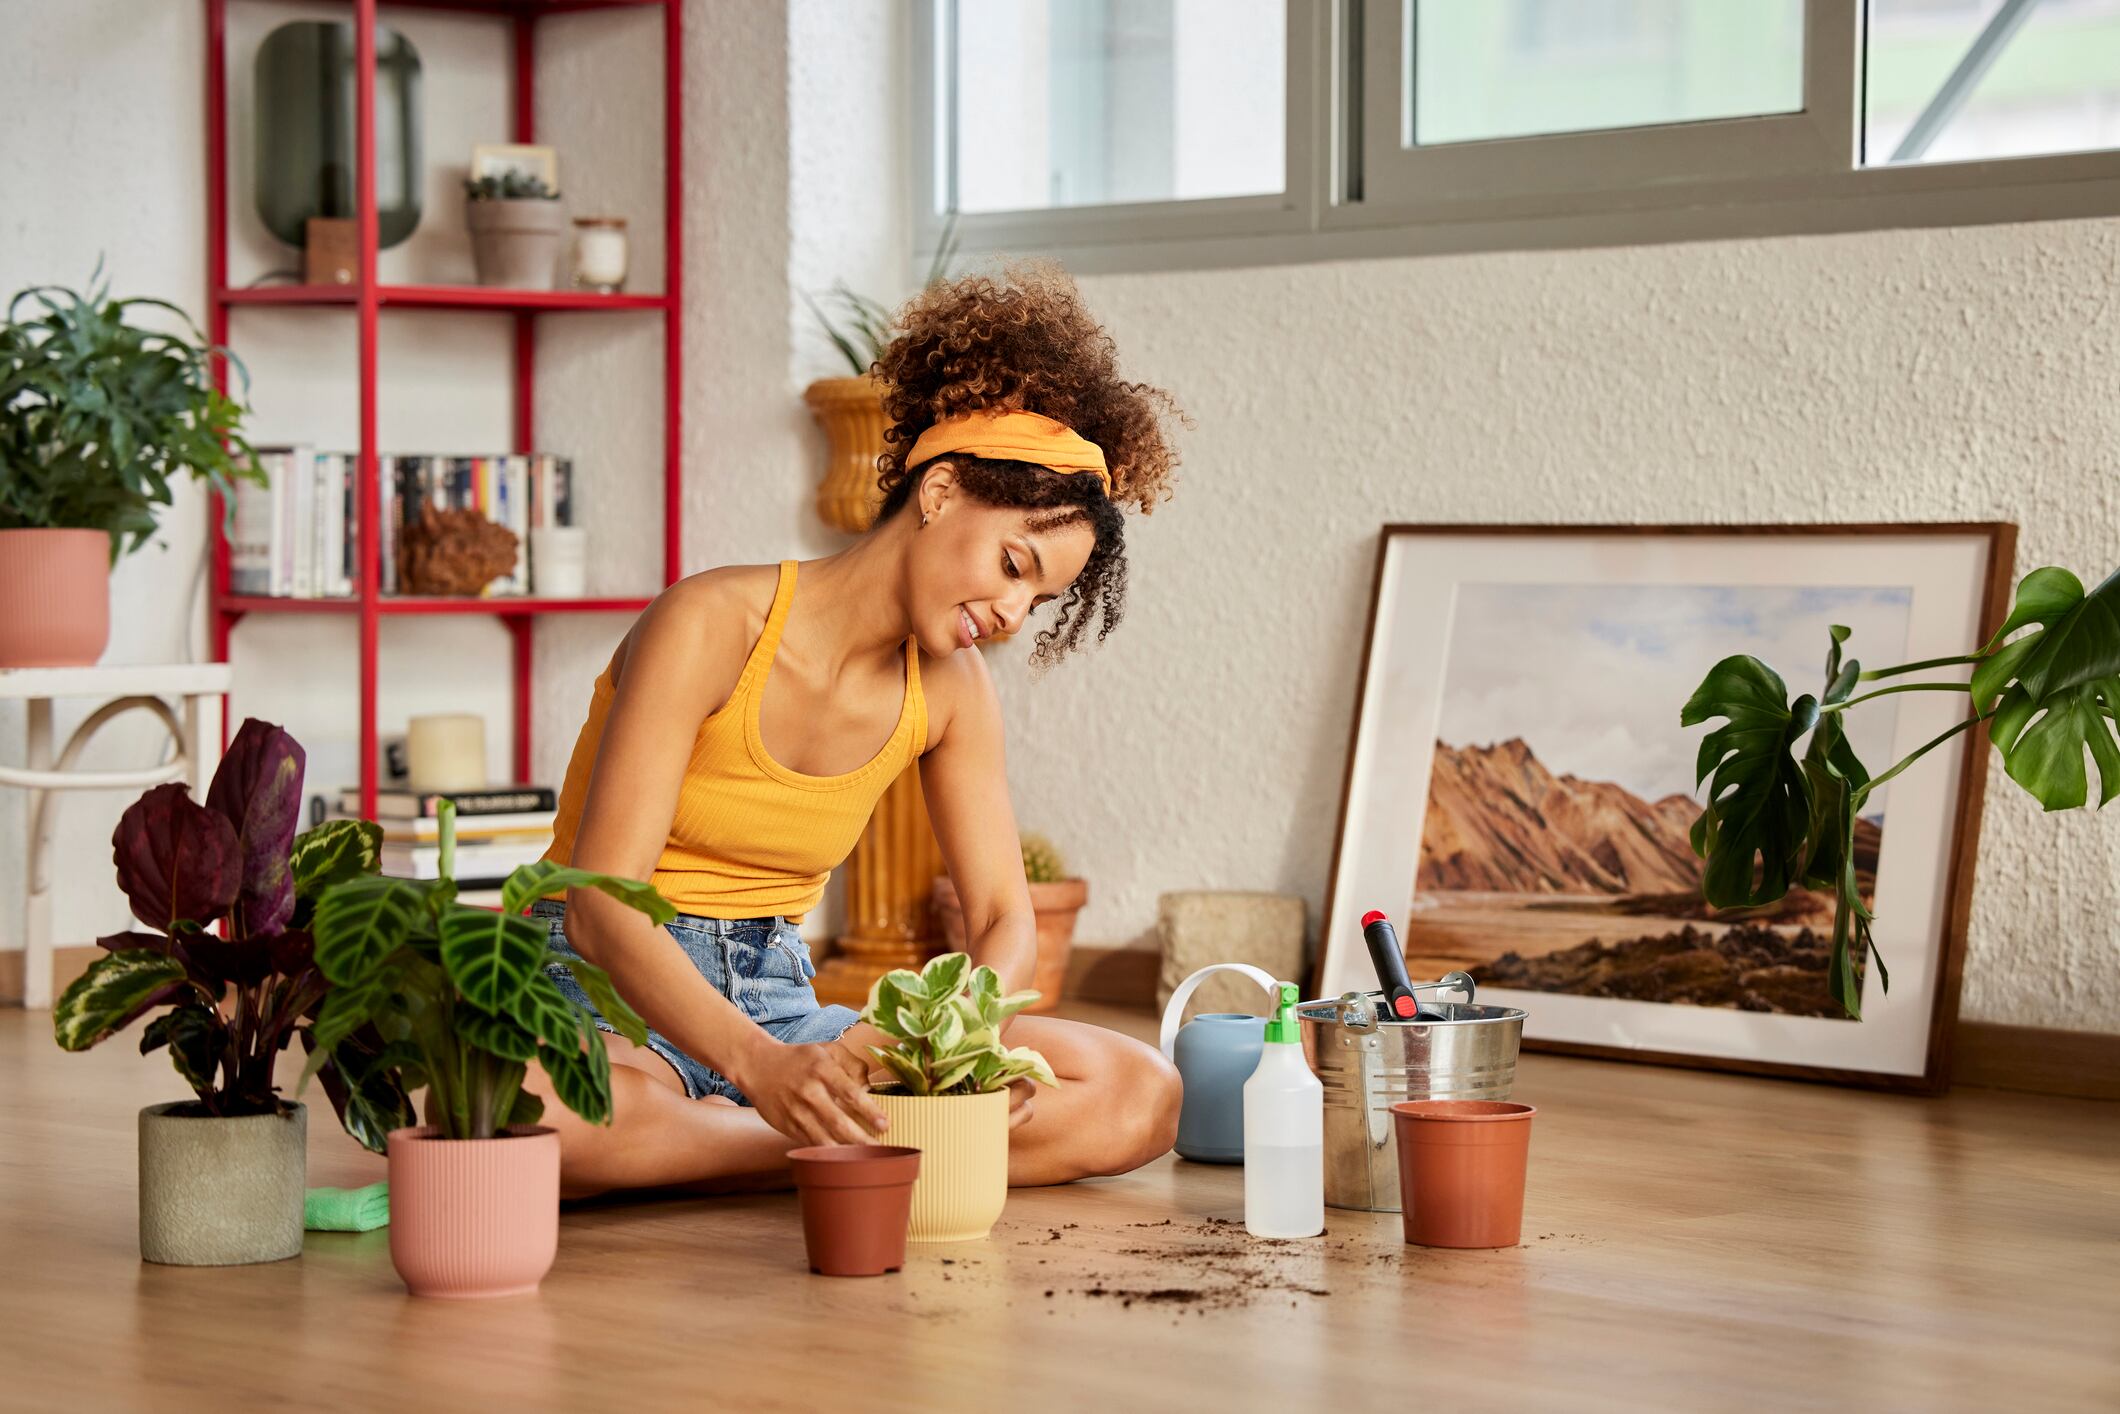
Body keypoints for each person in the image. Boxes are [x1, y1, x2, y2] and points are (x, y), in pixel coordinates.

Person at [526, 263, 1187, 1198]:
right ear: (943, 490)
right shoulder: (712, 622)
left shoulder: (951, 693)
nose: (1010, 611)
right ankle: (832, 1142)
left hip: (779, 995)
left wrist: (945, 1041)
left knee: (1138, 1093)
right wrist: (763, 1072)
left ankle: (734, 1143)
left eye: (1039, 600)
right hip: (609, 997)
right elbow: (601, 907)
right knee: (536, 1117)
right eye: (1012, 564)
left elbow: (1003, 920)